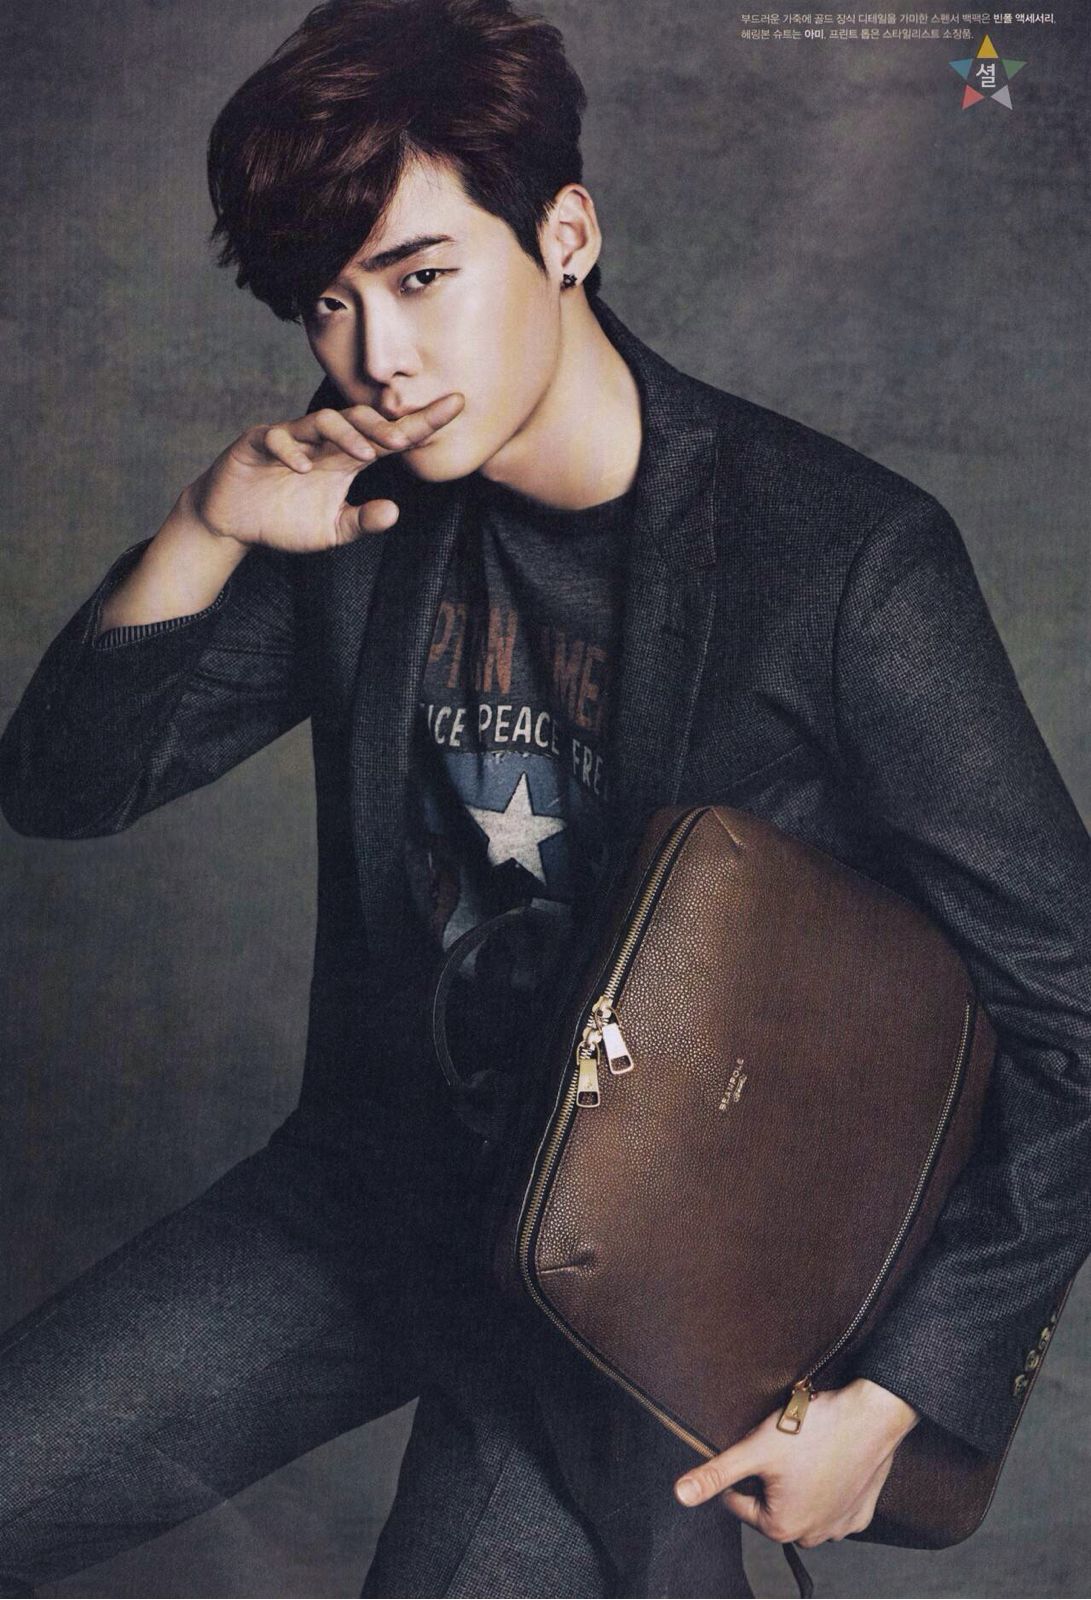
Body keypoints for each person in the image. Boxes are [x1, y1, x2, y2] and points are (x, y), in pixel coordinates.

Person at [1, 0, 1088, 1594]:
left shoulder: (838, 560)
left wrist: (901, 1394)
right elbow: (60, 790)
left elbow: (1076, 1002)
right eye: (330, 302)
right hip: (379, 1195)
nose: (378, 357)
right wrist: (205, 528)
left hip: (625, 1295)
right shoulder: (351, 512)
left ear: (565, 234)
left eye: (422, 275)